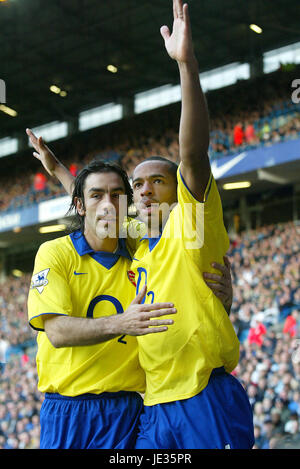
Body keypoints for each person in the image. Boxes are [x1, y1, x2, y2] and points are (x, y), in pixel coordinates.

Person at [129, 0, 253, 448]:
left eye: (155, 181)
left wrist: (187, 66)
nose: (143, 190)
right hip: (155, 405)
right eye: (136, 185)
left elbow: (194, 156)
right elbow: (91, 204)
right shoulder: (139, 251)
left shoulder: (191, 224)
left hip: (205, 399)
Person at [27, 159, 178, 449]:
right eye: (95, 196)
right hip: (68, 412)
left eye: (117, 196)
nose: (108, 204)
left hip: (127, 410)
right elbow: (57, 332)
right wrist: (122, 322)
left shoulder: (138, 242)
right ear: (80, 206)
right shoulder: (55, 253)